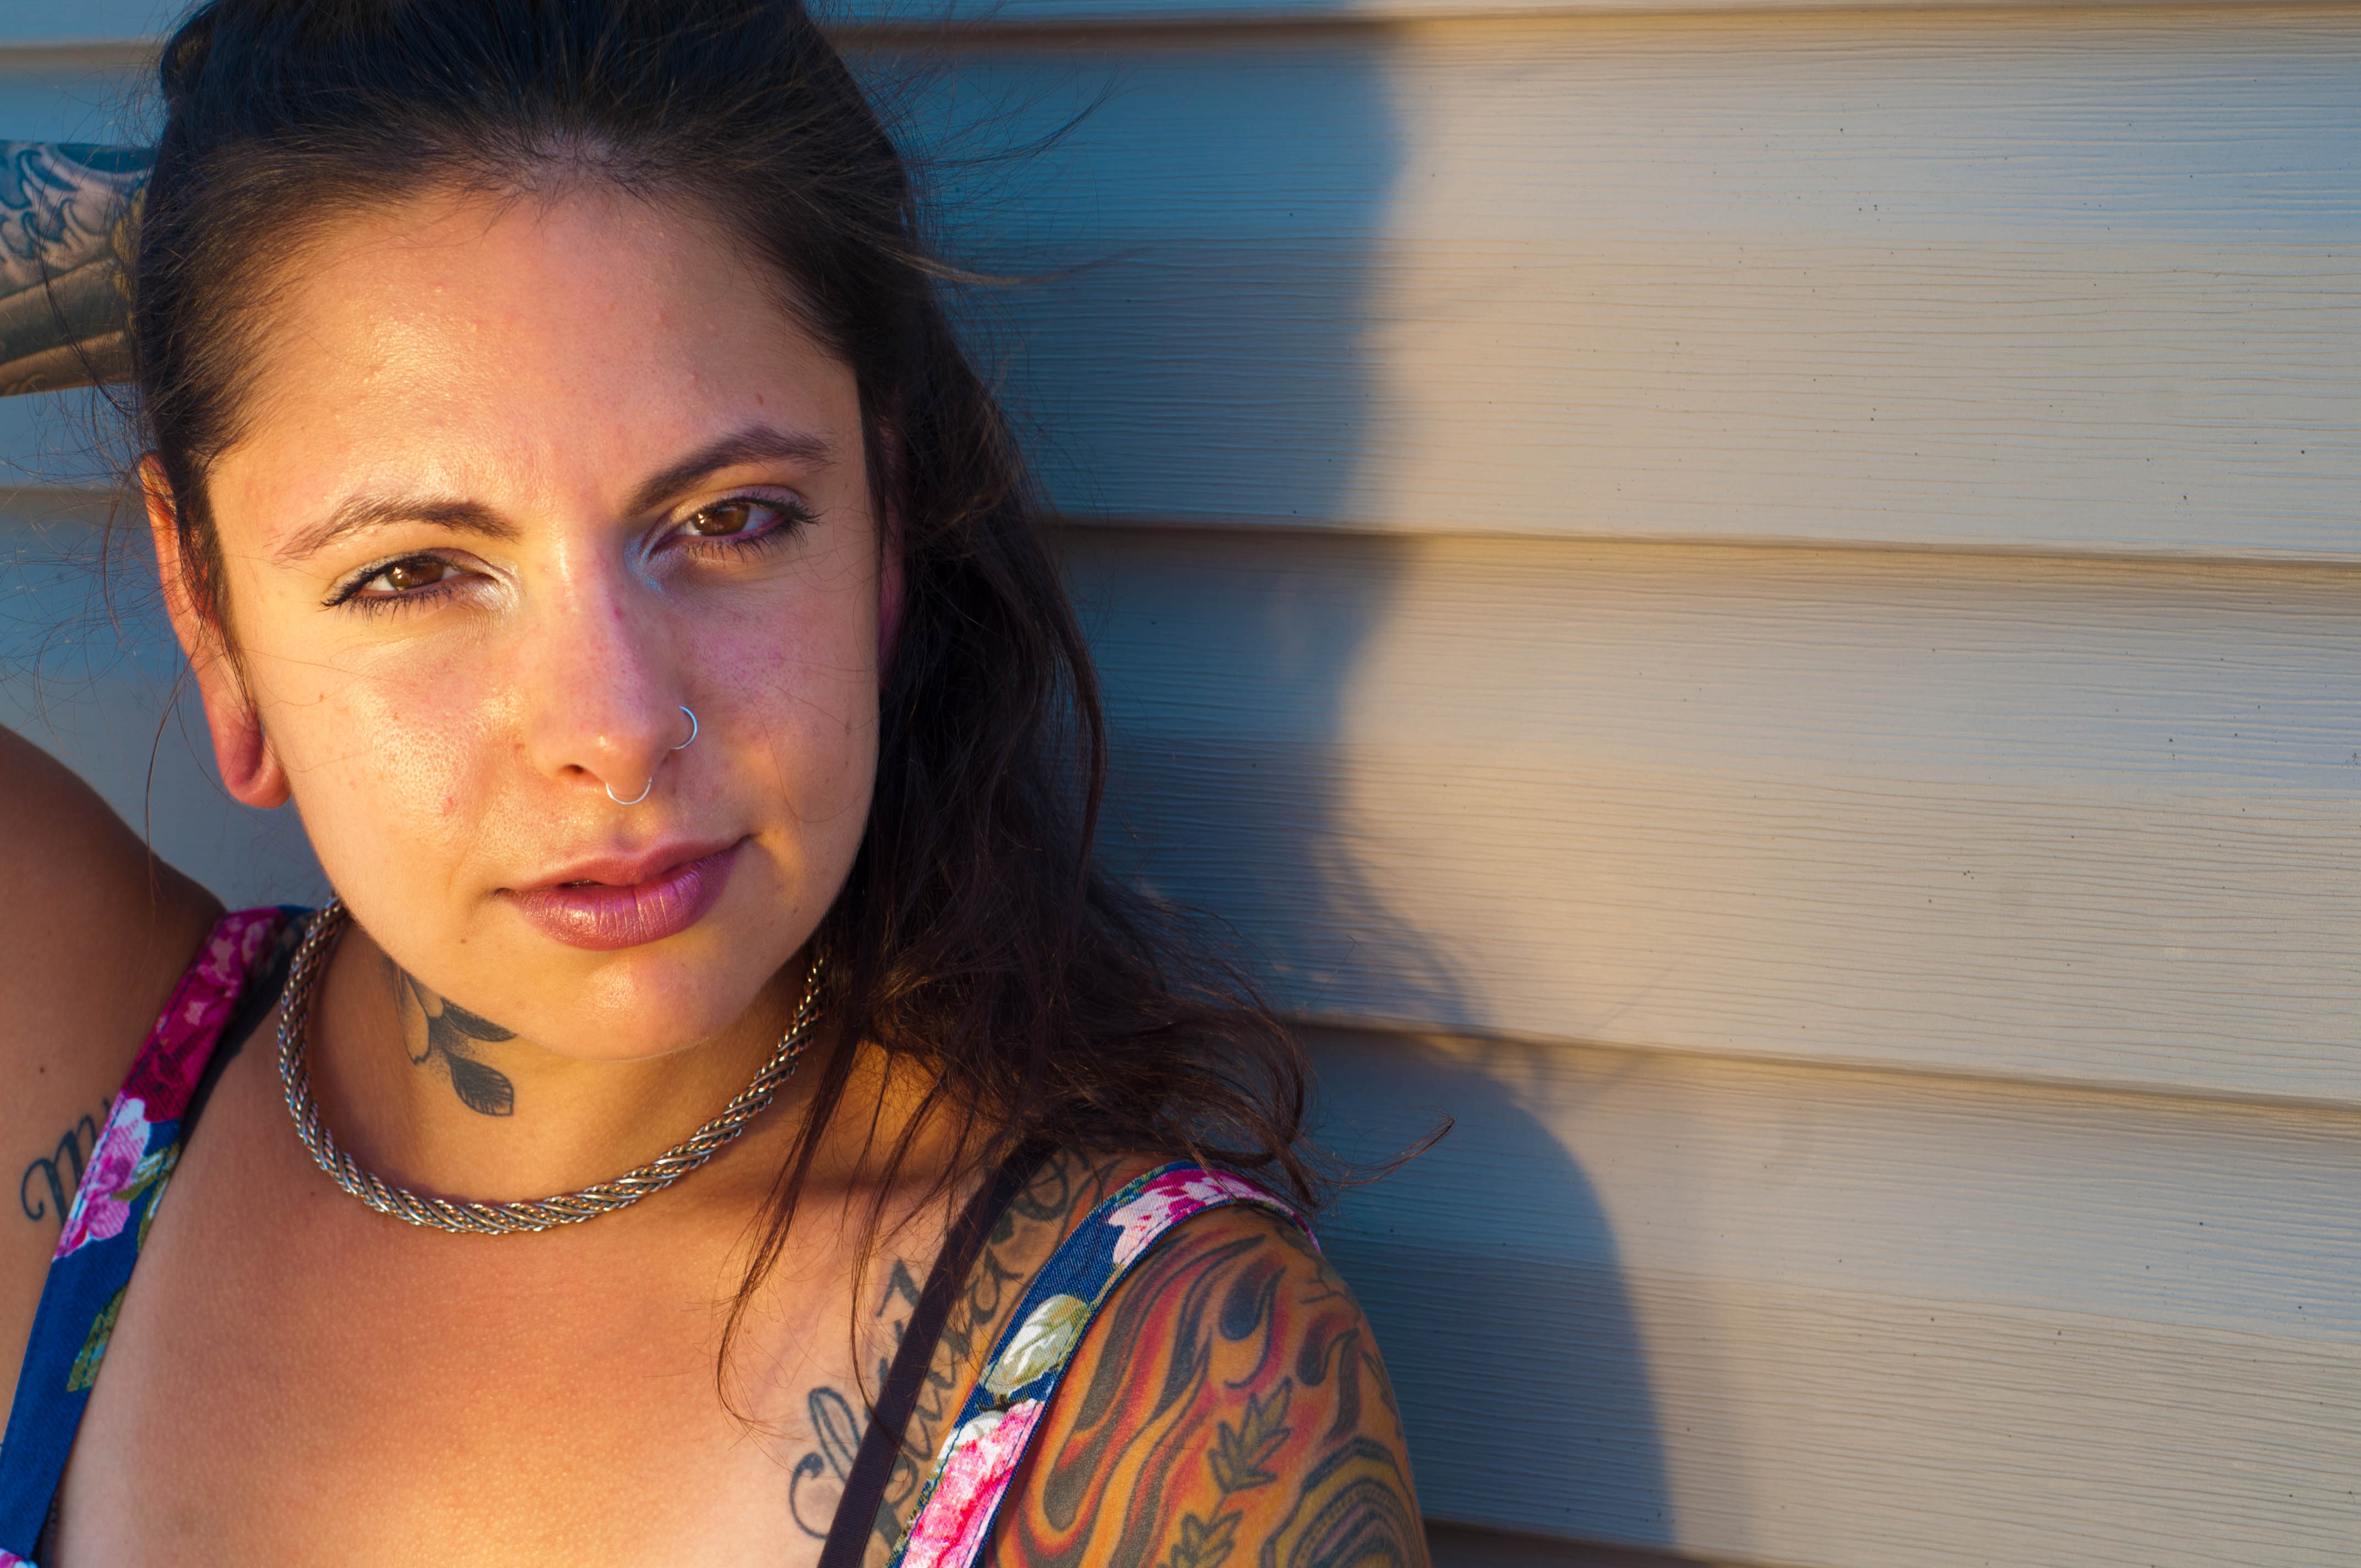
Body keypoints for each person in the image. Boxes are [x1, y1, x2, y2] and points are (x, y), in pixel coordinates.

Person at [0, 1, 1427, 1562]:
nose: (616, 727)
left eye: (730, 520)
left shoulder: (1164, 1397)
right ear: (208, 615)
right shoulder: (66, 1044)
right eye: (414, 570)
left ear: (886, 527)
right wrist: (232, 221)